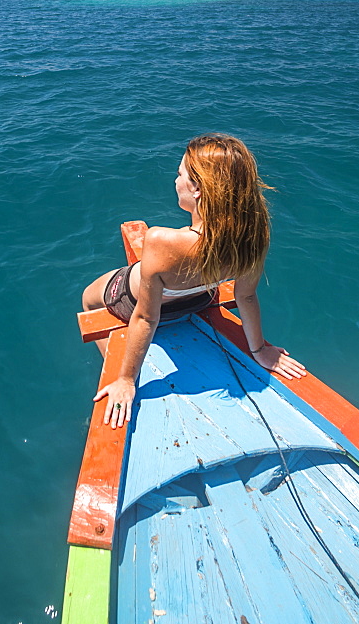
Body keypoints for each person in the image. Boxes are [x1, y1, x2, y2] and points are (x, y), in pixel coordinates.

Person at [82, 134, 306, 430]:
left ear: (198, 188)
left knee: (89, 297)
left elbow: (147, 317)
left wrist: (126, 379)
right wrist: (259, 349)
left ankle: (111, 371)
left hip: (133, 300)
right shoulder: (254, 231)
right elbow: (246, 297)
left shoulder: (162, 240)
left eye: (180, 175)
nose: (175, 181)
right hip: (200, 299)